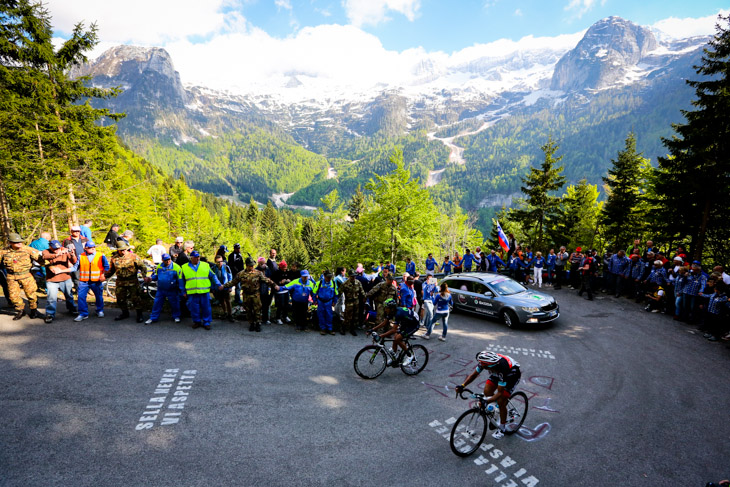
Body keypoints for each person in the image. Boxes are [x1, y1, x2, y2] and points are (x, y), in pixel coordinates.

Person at [456, 351, 522, 440]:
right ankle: (495, 410)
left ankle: (502, 428)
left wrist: (486, 401)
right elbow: (474, 375)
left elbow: (499, 393)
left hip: (511, 375)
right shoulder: (485, 363)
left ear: (487, 366)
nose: (479, 365)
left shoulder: (502, 369)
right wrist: (462, 385)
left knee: (501, 400)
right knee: (487, 391)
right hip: (496, 373)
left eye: (481, 364)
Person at [223, 256, 278, 332]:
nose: (252, 267)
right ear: (247, 265)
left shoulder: (258, 273)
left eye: (252, 265)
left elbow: (266, 280)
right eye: (250, 266)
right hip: (246, 295)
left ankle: (258, 324)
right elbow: (233, 282)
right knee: (248, 310)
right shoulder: (241, 274)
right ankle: (251, 323)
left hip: (256, 294)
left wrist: (274, 285)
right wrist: (224, 286)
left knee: (257, 310)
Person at [0, 233, 44, 320]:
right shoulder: (4, 251)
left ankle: (34, 310)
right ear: (10, 243)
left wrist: (50, 265)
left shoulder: (28, 249)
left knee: (31, 294)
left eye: (20, 241)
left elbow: (40, 259)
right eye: (16, 242)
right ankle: (20, 311)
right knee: (13, 296)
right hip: (12, 277)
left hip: (26, 276)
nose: (19, 243)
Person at [179, 250, 222, 330]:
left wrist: (218, 284)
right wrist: (183, 291)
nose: (197, 258)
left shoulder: (205, 265)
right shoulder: (184, 267)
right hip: (192, 292)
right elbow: (181, 280)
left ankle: (206, 322)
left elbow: (213, 276)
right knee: (194, 308)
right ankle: (197, 322)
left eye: (198, 257)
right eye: (195, 257)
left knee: (206, 308)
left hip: (204, 291)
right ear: (191, 258)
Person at [106, 240, 147, 323]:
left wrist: (144, 276)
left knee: (136, 299)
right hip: (120, 282)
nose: (123, 251)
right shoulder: (114, 258)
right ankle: (125, 313)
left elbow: (142, 267)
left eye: (125, 249)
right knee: (120, 299)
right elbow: (111, 270)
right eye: (121, 250)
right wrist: (104, 276)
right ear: (118, 250)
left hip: (132, 281)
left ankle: (139, 314)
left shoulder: (133, 256)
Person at [370, 298, 420, 366]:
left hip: (413, 324)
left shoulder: (398, 313)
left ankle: (410, 356)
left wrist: (381, 335)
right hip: (405, 322)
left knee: (398, 338)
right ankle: (394, 357)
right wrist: (373, 329)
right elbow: (385, 323)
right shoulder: (391, 312)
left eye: (386, 308)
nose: (385, 309)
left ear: (391, 308)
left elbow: (393, 330)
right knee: (395, 338)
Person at [42, 240, 78, 323]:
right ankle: (50, 314)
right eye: (55, 249)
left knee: (69, 295)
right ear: (50, 247)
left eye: (58, 248)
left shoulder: (65, 250)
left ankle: (72, 308)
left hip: (65, 277)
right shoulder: (46, 251)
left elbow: (74, 261)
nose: (57, 250)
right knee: (51, 298)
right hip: (52, 279)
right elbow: (45, 257)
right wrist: (58, 254)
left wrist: (72, 254)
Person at [74, 241, 109, 322]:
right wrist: (64, 270)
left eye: (93, 247)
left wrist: (104, 275)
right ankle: (83, 314)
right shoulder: (81, 256)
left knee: (99, 296)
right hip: (84, 281)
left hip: (96, 281)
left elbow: (107, 267)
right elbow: (75, 267)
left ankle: (100, 310)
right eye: (89, 247)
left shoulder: (100, 255)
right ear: (85, 248)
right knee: (81, 297)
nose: (92, 248)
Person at [145, 253, 182, 325]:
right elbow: (156, 276)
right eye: (166, 260)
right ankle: (153, 318)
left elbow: (180, 279)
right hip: (161, 289)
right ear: (162, 260)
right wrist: (151, 278)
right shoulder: (159, 266)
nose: (168, 261)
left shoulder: (176, 267)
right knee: (157, 303)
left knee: (175, 303)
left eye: (169, 259)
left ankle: (176, 316)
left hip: (172, 289)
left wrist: (181, 289)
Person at [63, 225, 88, 295]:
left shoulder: (85, 239)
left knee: (86, 276)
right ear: (71, 231)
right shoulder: (67, 240)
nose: (76, 232)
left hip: (85, 260)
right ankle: (79, 291)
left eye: (78, 231)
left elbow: (91, 249)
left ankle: (87, 290)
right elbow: (64, 252)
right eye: (75, 231)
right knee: (76, 277)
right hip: (74, 261)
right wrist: (68, 262)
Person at [340, 270, 365, 336]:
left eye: (354, 276)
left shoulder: (358, 282)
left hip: (356, 301)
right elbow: (339, 292)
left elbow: (361, 291)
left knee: (355, 316)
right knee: (347, 316)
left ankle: (352, 329)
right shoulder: (345, 284)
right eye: (352, 276)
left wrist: (364, 297)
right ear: (349, 276)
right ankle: (343, 328)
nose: (353, 277)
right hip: (349, 301)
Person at [313, 270, 338, 335]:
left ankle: (330, 329)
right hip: (320, 302)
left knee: (329, 315)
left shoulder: (333, 283)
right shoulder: (319, 283)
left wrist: (334, 301)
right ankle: (323, 329)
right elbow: (314, 292)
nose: (329, 278)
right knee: (321, 315)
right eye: (327, 277)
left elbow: (336, 293)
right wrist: (314, 300)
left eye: (330, 277)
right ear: (324, 276)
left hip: (329, 302)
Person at [211, 254, 233, 322]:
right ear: (215, 262)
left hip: (226, 287)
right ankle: (225, 312)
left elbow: (230, 277)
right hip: (218, 288)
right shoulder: (213, 268)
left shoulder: (226, 267)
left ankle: (230, 315)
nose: (220, 263)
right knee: (221, 301)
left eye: (221, 261)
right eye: (218, 261)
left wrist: (230, 287)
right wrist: (213, 288)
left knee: (228, 301)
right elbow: (212, 279)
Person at [271, 261, 292, 325]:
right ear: (280, 267)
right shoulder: (276, 273)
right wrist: (280, 282)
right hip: (279, 291)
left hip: (286, 290)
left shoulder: (288, 272)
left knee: (286, 304)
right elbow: (272, 281)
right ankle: (278, 318)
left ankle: (285, 316)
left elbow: (291, 279)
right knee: (280, 305)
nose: (285, 269)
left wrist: (288, 280)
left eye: (286, 267)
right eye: (284, 268)